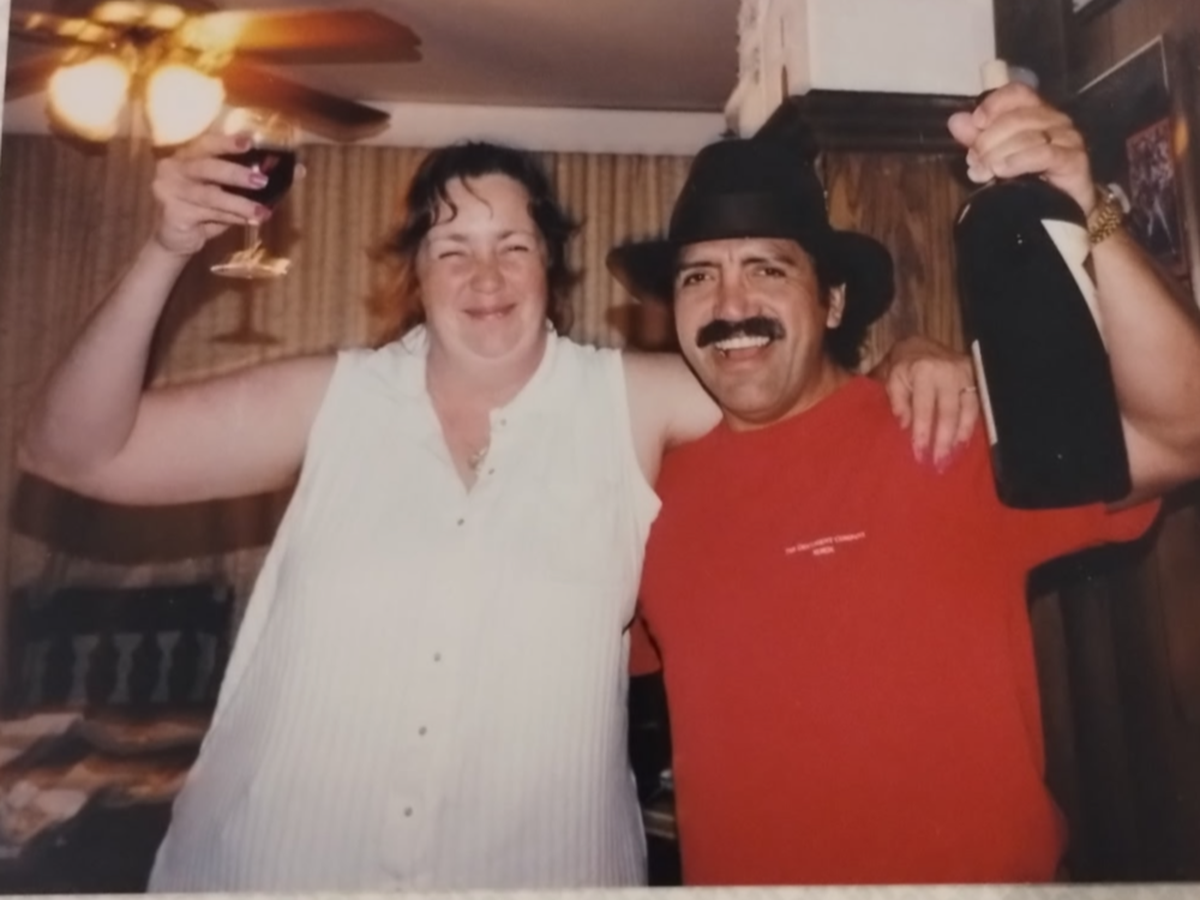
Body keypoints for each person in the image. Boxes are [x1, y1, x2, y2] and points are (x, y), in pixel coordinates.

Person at [17, 135, 974, 891]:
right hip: (273, 868)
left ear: (551, 266)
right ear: (414, 272)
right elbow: (71, 452)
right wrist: (167, 249)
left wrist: (913, 355)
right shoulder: (334, 398)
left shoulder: (629, 401)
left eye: (514, 246)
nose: (487, 277)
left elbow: (793, 380)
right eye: (454, 249)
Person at [609, 82, 1200, 885]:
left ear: (832, 301)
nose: (730, 304)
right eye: (697, 277)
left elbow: (1182, 432)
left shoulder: (938, 430)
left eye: (766, 268)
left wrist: (1087, 207)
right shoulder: (646, 498)